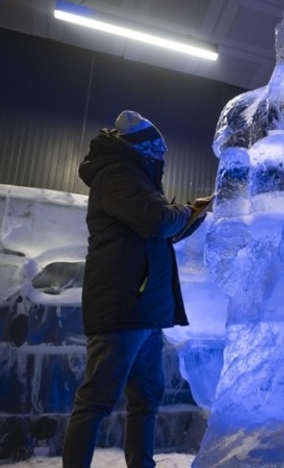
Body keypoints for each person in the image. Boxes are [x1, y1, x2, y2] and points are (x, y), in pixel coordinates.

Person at [63, 110, 213, 468]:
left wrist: (193, 214)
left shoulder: (136, 179)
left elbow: (161, 232)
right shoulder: (118, 175)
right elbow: (157, 220)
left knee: (145, 398)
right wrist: (185, 209)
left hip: (143, 310)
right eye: (158, 150)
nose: (161, 157)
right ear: (146, 149)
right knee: (97, 400)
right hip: (122, 308)